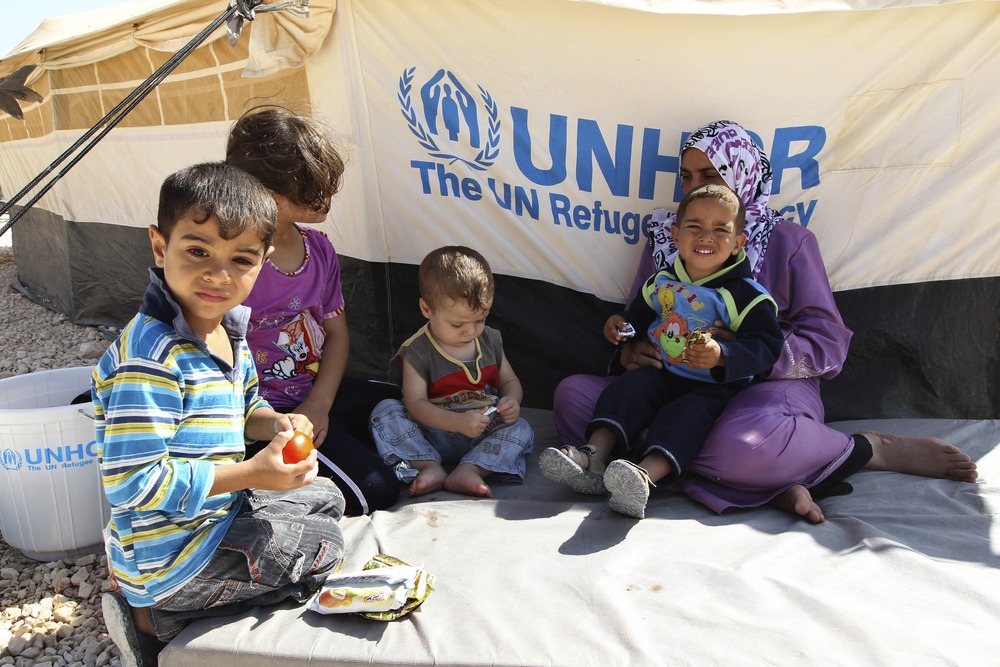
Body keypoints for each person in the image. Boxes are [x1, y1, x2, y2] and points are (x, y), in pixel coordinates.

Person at [552, 120, 978, 523]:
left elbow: (828, 343)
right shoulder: (670, 237)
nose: (696, 187)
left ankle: (866, 449)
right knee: (574, 398)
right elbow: (639, 312)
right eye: (687, 176)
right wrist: (630, 349)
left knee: (746, 446)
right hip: (673, 383)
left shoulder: (790, 241)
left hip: (768, 391)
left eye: (710, 176)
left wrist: (736, 353)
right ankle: (765, 482)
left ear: (741, 176)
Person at [92, 162, 345, 666]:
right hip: (174, 554)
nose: (218, 275)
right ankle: (154, 617)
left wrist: (277, 423)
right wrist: (253, 473)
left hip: (215, 515)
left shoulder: (226, 331)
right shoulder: (152, 359)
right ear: (161, 247)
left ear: (263, 262)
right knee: (324, 544)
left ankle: (179, 598)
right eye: (197, 251)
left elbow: (245, 407)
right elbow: (131, 483)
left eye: (241, 259)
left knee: (327, 496)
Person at [541, 185, 783, 518]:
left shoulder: (744, 294)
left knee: (686, 416)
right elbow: (637, 319)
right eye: (694, 227)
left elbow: (767, 345)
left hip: (711, 387)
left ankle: (642, 478)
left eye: (720, 230)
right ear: (675, 234)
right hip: (663, 372)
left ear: (739, 242)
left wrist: (723, 354)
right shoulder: (661, 282)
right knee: (627, 390)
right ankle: (593, 457)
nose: (706, 237)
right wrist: (620, 326)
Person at [226, 106, 401, 516]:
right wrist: (288, 419)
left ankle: (334, 434)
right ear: (269, 194)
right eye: (311, 187)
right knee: (375, 490)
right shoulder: (238, 265)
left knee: (405, 398)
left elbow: (337, 335)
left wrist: (319, 404)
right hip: (268, 418)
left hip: (313, 396)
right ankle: (266, 487)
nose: (327, 196)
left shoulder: (319, 249)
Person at [369, 246, 534, 498]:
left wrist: (512, 399)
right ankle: (428, 465)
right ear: (427, 309)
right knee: (385, 412)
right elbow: (415, 404)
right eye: (457, 324)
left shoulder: (489, 340)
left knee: (521, 428)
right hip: (431, 432)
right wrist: (457, 423)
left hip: (482, 429)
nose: (470, 331)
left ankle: (471, 469)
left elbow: (509, 380)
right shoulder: (417, 350)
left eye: (480, 320)